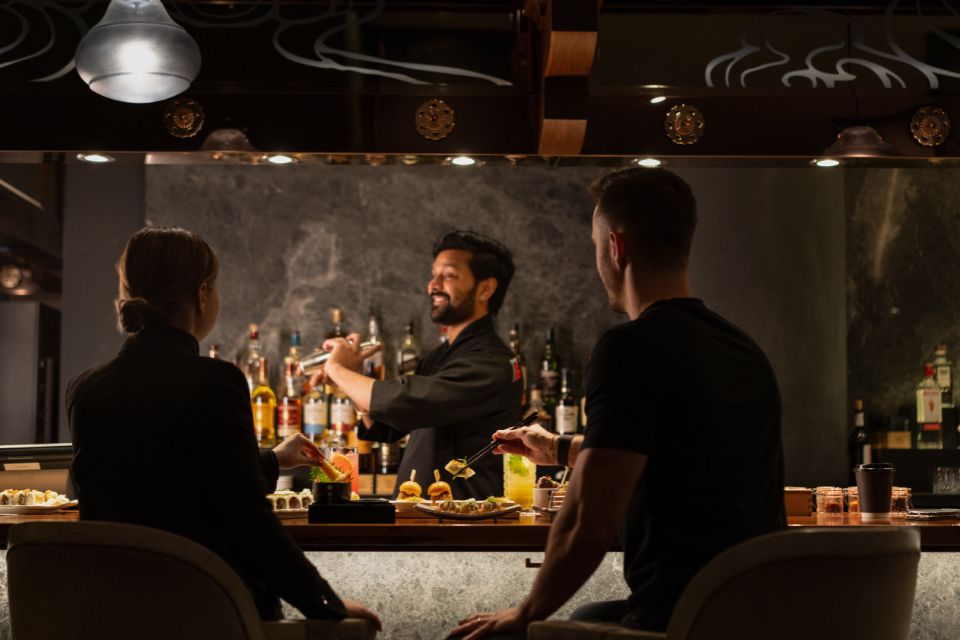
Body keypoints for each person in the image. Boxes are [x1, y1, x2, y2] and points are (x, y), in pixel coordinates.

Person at [451, 168, 786, 638]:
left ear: (615, 247)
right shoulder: (743, 350)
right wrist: (560, 449)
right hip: (757, 616)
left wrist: (525, 613)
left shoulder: (629, 347)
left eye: (594, 245)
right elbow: (675, 451)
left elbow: (590, 518)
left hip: (679, 620)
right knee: (588, 617)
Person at [67, 226, 380, 630]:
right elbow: (247, 520)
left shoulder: (86, 388)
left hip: (112, 616)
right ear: (202, 295)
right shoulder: (216, 381)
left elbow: (160, 476)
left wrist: (270, 460)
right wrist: (324, 602)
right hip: (207, 614)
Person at [311, 230, 523, 500]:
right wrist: (350, 376)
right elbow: (388, 422)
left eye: (448, 275)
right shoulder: (441, 356)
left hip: (463, 521)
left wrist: (336, 369)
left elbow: (403, 400)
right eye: (433, 274)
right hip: (424, 516)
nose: (433, 285)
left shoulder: (491, 361)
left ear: (485, 288)